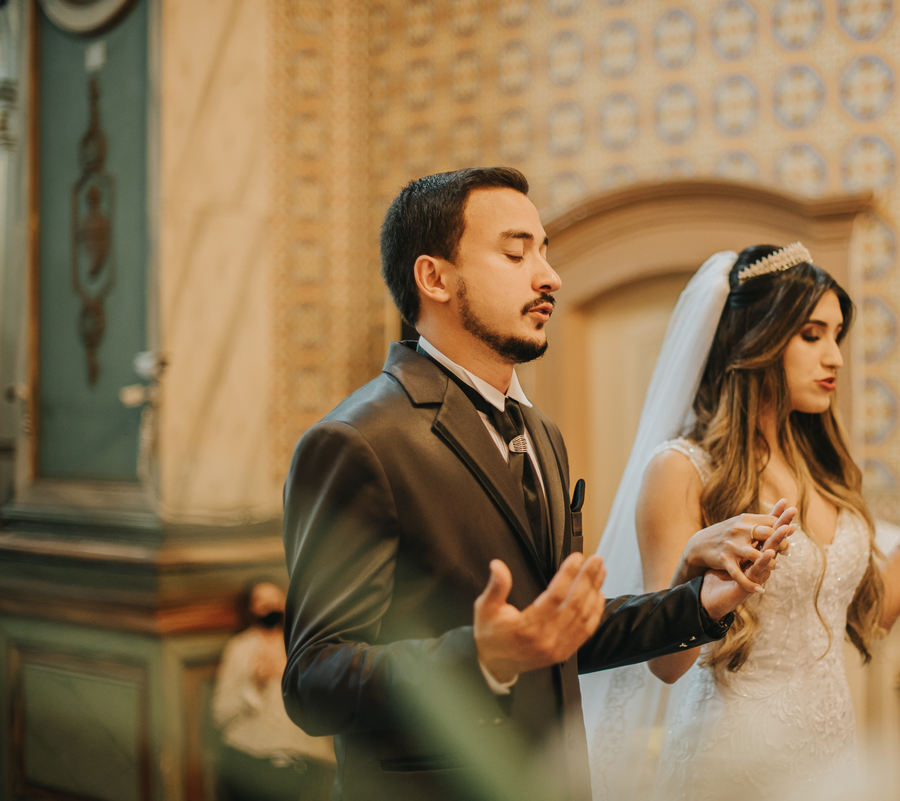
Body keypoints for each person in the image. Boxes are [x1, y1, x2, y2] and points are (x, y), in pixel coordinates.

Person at [279, 168, 795, 801]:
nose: (549, 276)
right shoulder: (357, 441)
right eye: (516, 252)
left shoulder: (541, 431)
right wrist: (482, 658)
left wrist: (696, 603)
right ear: (433, 277)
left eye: (545, 252)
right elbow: (313, 680)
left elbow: (555, 631)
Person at [582, 245, 900, 800]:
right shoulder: (681, 469)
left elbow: (874, 613)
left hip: (831, 747)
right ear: (757, 339)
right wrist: (691, 562)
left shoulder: (819, 464)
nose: (834, 357)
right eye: (812, 335)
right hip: (733, 759)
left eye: (837, 336)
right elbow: (667, 667)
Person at [213, 581, 335, 801]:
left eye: (276, 600)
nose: (271, 606)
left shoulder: (303, 647)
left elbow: (325, 705)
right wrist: (255, 686)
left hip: (297, 757)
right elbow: (221, 714)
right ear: (251, 609)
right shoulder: (239, 649)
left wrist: (295, 679)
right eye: (262, 602)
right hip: (248, 752)